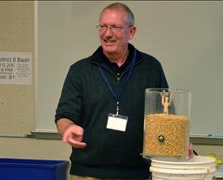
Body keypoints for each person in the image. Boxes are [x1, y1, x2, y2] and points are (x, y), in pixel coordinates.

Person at [55, 2, 168, 180]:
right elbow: (64, 115)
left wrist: (181, 143)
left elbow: (166, 115)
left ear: (131, 32)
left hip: (136, 173)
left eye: (114, 27)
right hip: (87, 173)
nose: (107, 34)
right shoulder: (80, 70)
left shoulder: (151, 68)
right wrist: (68, 128)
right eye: (103, 26)